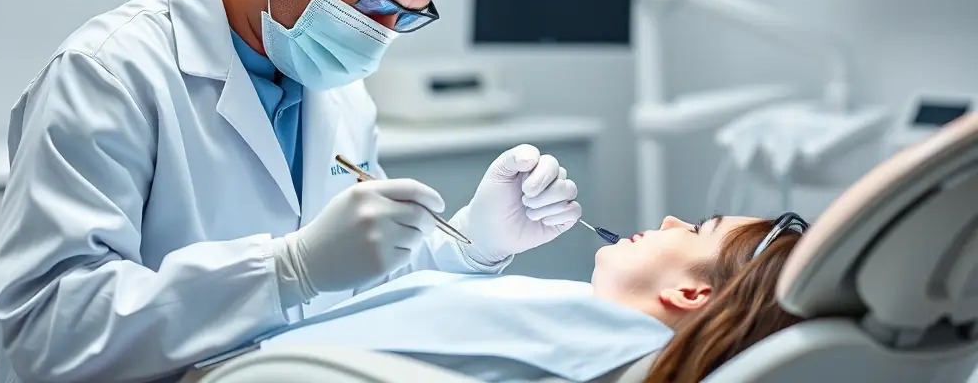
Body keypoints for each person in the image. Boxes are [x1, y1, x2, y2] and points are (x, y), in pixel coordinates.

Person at [0, 0, 581, 383]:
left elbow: (358, 283)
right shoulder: (107, 74)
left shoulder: (341, 92)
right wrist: (284, 270)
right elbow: (48, 333)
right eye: (370, 3)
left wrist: (471, 243)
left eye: (404, 17)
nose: (378, 37)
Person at [184, 213, 809, 383]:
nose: (672, 220)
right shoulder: (591, 334)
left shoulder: (602, 335)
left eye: (697, 229)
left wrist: (294, 269)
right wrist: (473, 246)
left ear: (693, 291)